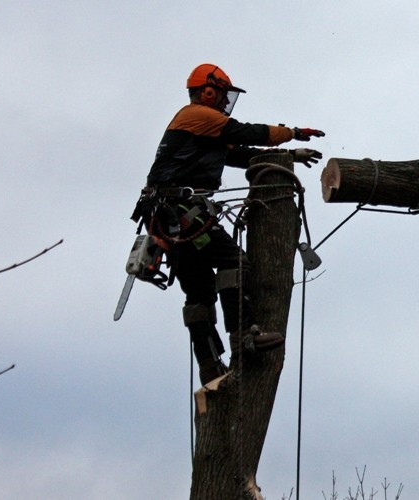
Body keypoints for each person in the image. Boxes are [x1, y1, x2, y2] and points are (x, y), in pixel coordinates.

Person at [134, 63, 324, 385]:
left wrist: (290, 155)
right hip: (181, 213)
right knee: (232, 261)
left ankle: (209, 367)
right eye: (222, 95)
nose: (224, 103)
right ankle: (244, 335)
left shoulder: (204, 130)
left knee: (199, 292)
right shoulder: (197, 116)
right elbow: (246, 132)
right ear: (207, 91)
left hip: (169, 218)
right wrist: (290, 132)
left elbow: (242, 154)